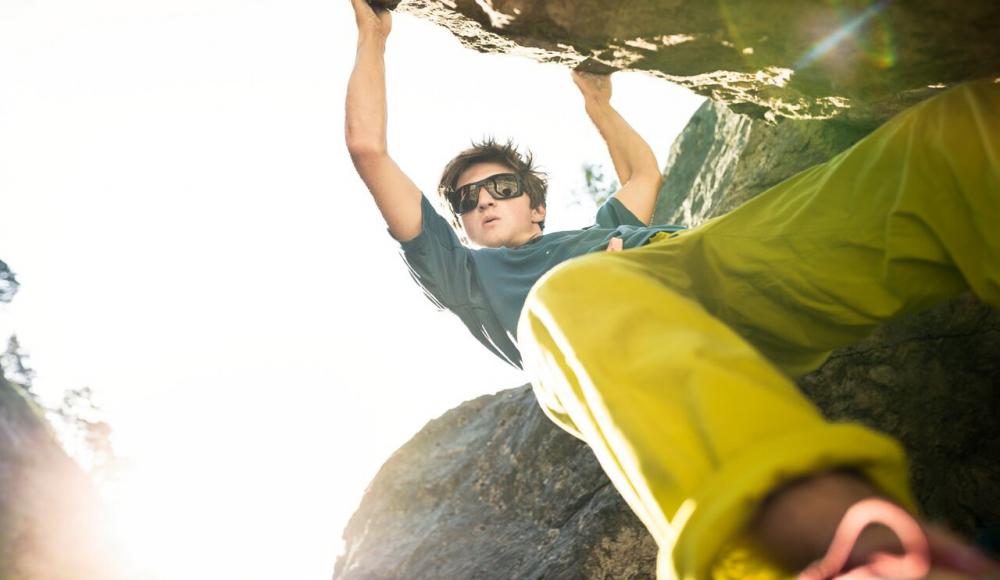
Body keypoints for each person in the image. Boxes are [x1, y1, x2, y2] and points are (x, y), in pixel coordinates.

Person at [345, 0, 1000, 577]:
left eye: (503, 187)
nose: (484, 200)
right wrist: (372, 37)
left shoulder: (602, 228)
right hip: (600, 329)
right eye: (467, 199)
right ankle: (840, 554)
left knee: (951, 131)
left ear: (537, 206)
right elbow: (368, 149)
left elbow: (642, 173)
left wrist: (597, 105)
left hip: (698, 263)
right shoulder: (464, 274)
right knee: (567, 294)